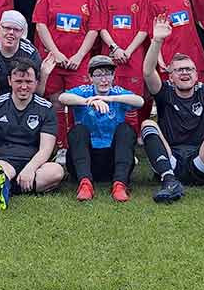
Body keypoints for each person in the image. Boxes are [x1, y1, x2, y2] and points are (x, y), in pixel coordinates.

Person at [141, 15, 204, 205]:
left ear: (196, 75)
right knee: (147, 124)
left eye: (189, 69)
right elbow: (147, 72)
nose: (185, 73)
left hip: (200, 160)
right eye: (179, 70)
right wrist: (157, 41)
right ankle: (169, 183)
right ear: (170, 77)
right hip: (171, 162)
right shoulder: (164, 91)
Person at [0, 59, 64, 208]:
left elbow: (46, 148)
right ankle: (1, 184)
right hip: (2, 161)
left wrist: (30, 169)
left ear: (36, 82)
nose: (23, 86)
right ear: (9, 81)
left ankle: (0, 187)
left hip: (33, 163)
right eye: (18, 81)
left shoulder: (46, 108)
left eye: (28, 81)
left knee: (56, 172)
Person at [33, 0, 102, 152]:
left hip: (77, 61)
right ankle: (60, 146)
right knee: (55, 101)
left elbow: (94, 29)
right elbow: (41, 25)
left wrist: (80, 55)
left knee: (78, 102)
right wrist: (56, 53)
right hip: (53, 59)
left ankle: (78, 146)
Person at [59, 54, 144, 202]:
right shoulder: (85, 91)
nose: (104, 79)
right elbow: (62, 98)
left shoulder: (117, 92)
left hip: (112, 160)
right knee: (77, 130)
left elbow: (139, 101)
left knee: (126, 129)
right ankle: (85, 184)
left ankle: (120, 184)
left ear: (113, 76)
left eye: (108, 74)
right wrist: (88, 101)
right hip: (86, 160)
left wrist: (108, 98)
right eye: (98, 75)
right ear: (91, 78)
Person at [97, 0, 150, 126]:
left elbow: (143, 29)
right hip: (111, 55)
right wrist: (115, 48)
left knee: (131, 100)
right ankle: (109, 135)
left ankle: (130, 140)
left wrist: (127, 51)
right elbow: (102, 28)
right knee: (109, 95)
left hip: (133, 57)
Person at [0, 10, 47, 98]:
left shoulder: (30, 53)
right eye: (7, 28)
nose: (11, 33)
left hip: (23, 99)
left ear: (22, 33)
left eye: (16, 30)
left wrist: (44, 75)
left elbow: (38, 94)